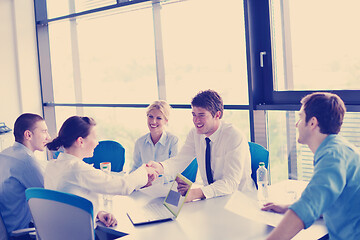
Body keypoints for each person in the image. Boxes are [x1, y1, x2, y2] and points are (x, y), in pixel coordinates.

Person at [262, 92, 360, 240]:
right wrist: (287, 207)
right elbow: (326, 200)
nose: (297, 124)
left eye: (300, 117)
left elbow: (309, 205)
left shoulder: (333, 156)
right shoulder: (339, 149)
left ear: (312, 123)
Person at [44, 116, 158, 227]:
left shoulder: (51, 166)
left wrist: (98, 213)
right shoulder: (78, 169)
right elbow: (123, 186)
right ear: (80, 141)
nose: (97, 143)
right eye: (95, 137)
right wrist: (145, 171)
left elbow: (68, 204)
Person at [148, 90, 255, 202]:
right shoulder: (195, 134)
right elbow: (181, 160)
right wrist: (160, 167)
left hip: (239, 200)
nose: (196, 120)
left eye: (201, 115)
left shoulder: (234, 136)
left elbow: (230, 183)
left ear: (217, 115)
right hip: (212, 198)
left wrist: (195, 193)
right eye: (194, 114)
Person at [0, 113, 51, 234]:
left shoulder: (6, 154)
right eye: (44, 131)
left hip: (8, 227)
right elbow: (50, 198)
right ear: (28, 135)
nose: (48, 137)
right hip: (23, 233)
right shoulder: (26, 161)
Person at [131, 100, 179, 182]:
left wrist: (156, 179)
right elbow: (135, 168)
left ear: (166, 120)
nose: (153, 121)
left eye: (159, 118)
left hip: (164, 187)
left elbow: (175, 170)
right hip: (145, 186)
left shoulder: (173, 140)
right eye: (150, 116)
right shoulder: (140, 142)